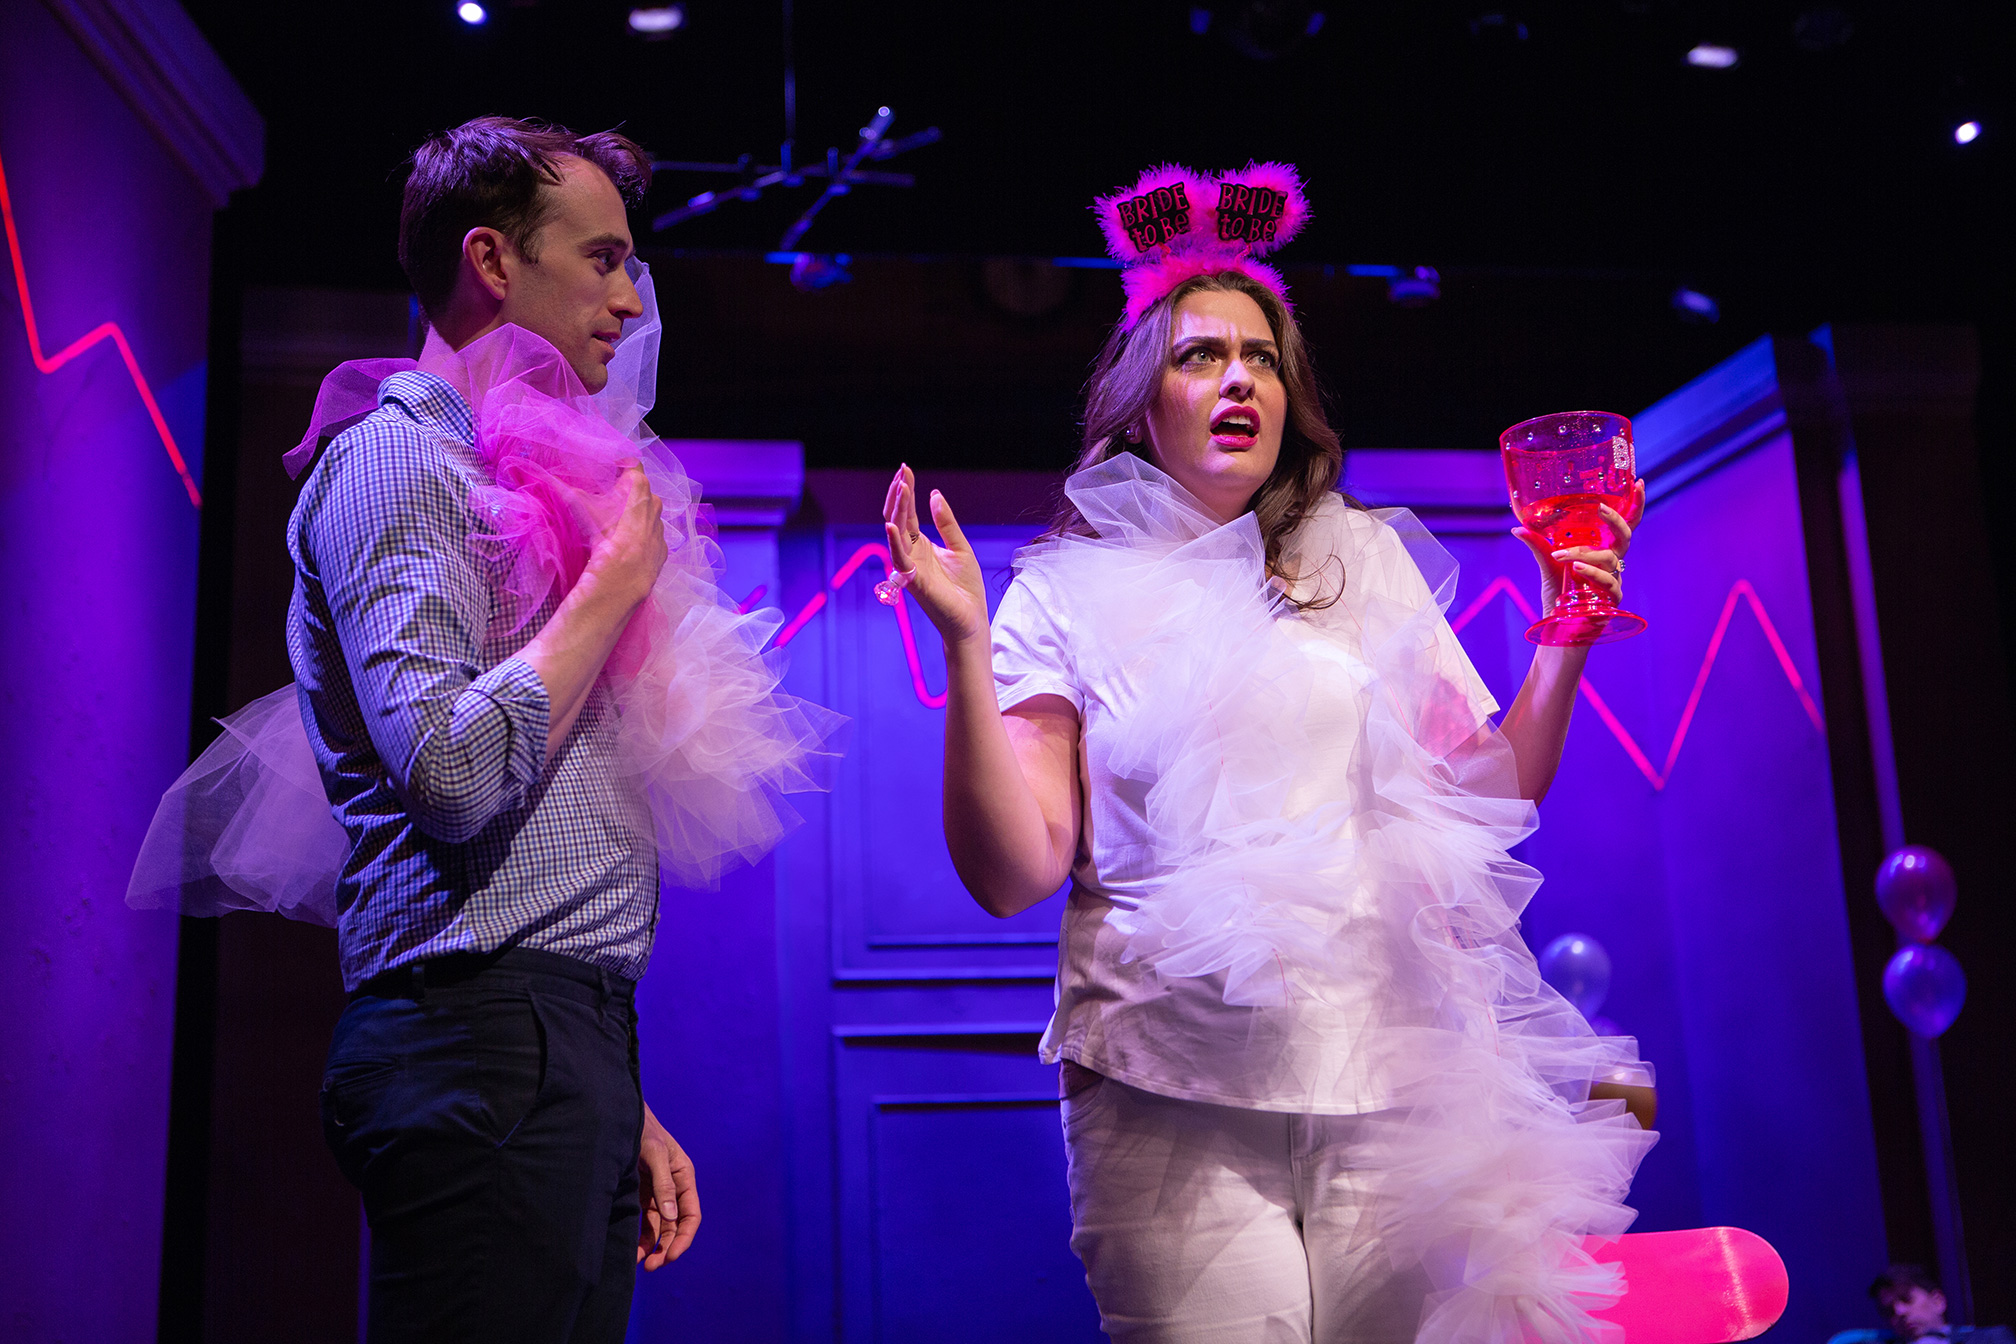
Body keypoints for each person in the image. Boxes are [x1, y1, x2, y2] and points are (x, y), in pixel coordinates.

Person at [881, 162, 1656, 1343]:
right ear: (1141, 403)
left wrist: (1566, 629)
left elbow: (1488, 791)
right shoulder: (1066, 593)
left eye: (1262, 357)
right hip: (1168, 1100)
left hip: (1388, 1090)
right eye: (1200, 355)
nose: (1239, 376)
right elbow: (1014, 871)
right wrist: (967, 649)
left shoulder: (1365, 562)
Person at [131, 116, 837, 1341]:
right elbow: (452, 776)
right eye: (603, 259)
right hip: (481, 1039)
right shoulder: (399, 466)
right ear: (492, 261)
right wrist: (612, 585)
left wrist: (614, 1091)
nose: (631, 298)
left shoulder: (504, 473)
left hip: (545, 1040)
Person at [1860, 1265, 2013, 1344]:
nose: (1899, 1311)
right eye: (1889, 1310)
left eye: (1906, 1299)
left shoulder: (1990, 1338)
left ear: (1938, 1301)